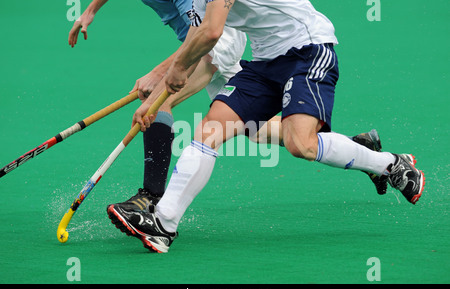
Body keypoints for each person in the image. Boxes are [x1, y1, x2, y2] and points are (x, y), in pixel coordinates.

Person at [106, 0, 425, 253]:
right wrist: (159, 95)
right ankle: (164, 224)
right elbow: (198, 42)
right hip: (264, 64)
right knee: (211, 130)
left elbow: (213, 33)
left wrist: (172, 74)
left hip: (307, 51)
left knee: (300, 144)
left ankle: (393, 166)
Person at [69, 0, 386, 216]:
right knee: (257, 131)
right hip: (200, 44)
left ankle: (151, 197)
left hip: (214, 42)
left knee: (158, 104)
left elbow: (207, 32)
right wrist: (91, 12)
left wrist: (161, 73)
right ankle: (358, 150)